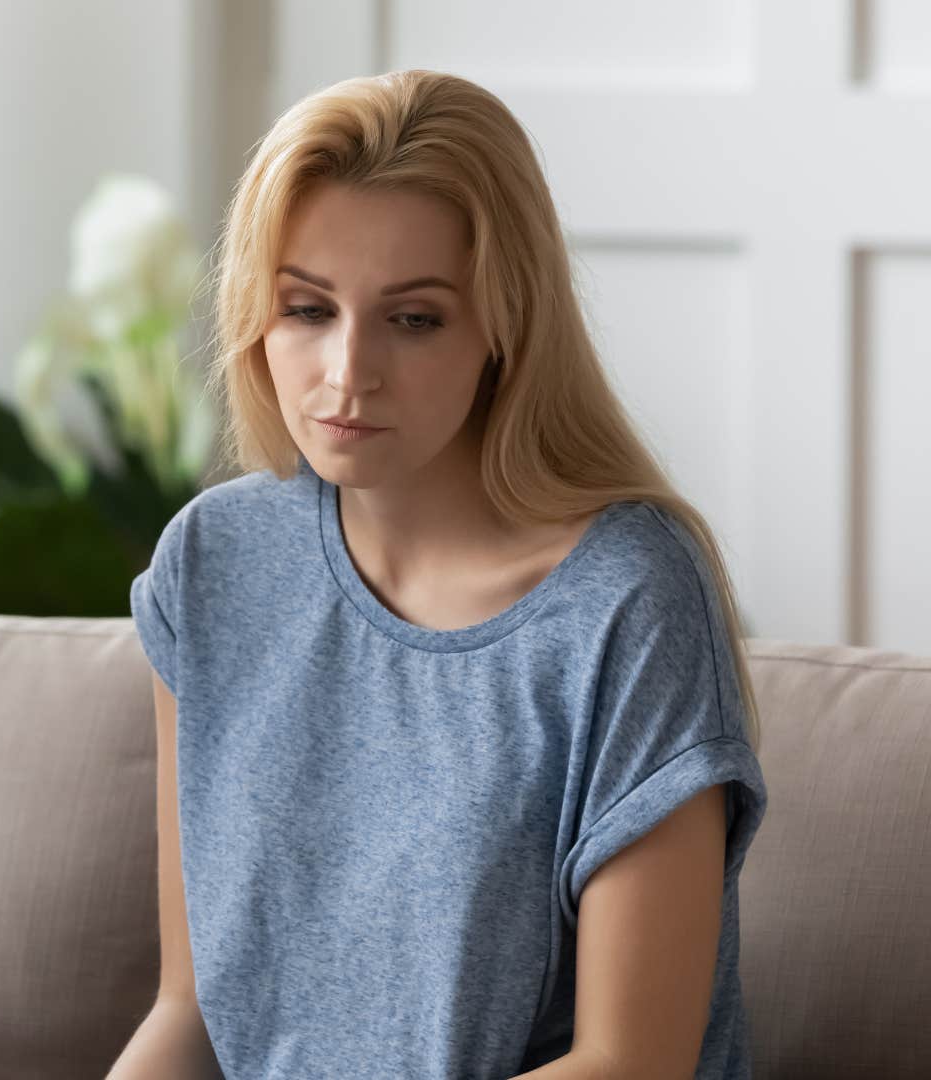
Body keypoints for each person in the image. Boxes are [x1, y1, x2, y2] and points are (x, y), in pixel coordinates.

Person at [107, 70, 767, 1079]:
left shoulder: (628, 599)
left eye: (413, 319)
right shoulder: (214, 564)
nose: (346, 373)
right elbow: (192, 1015)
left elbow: (633, 1062)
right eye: (306, 309)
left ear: (505, 325)